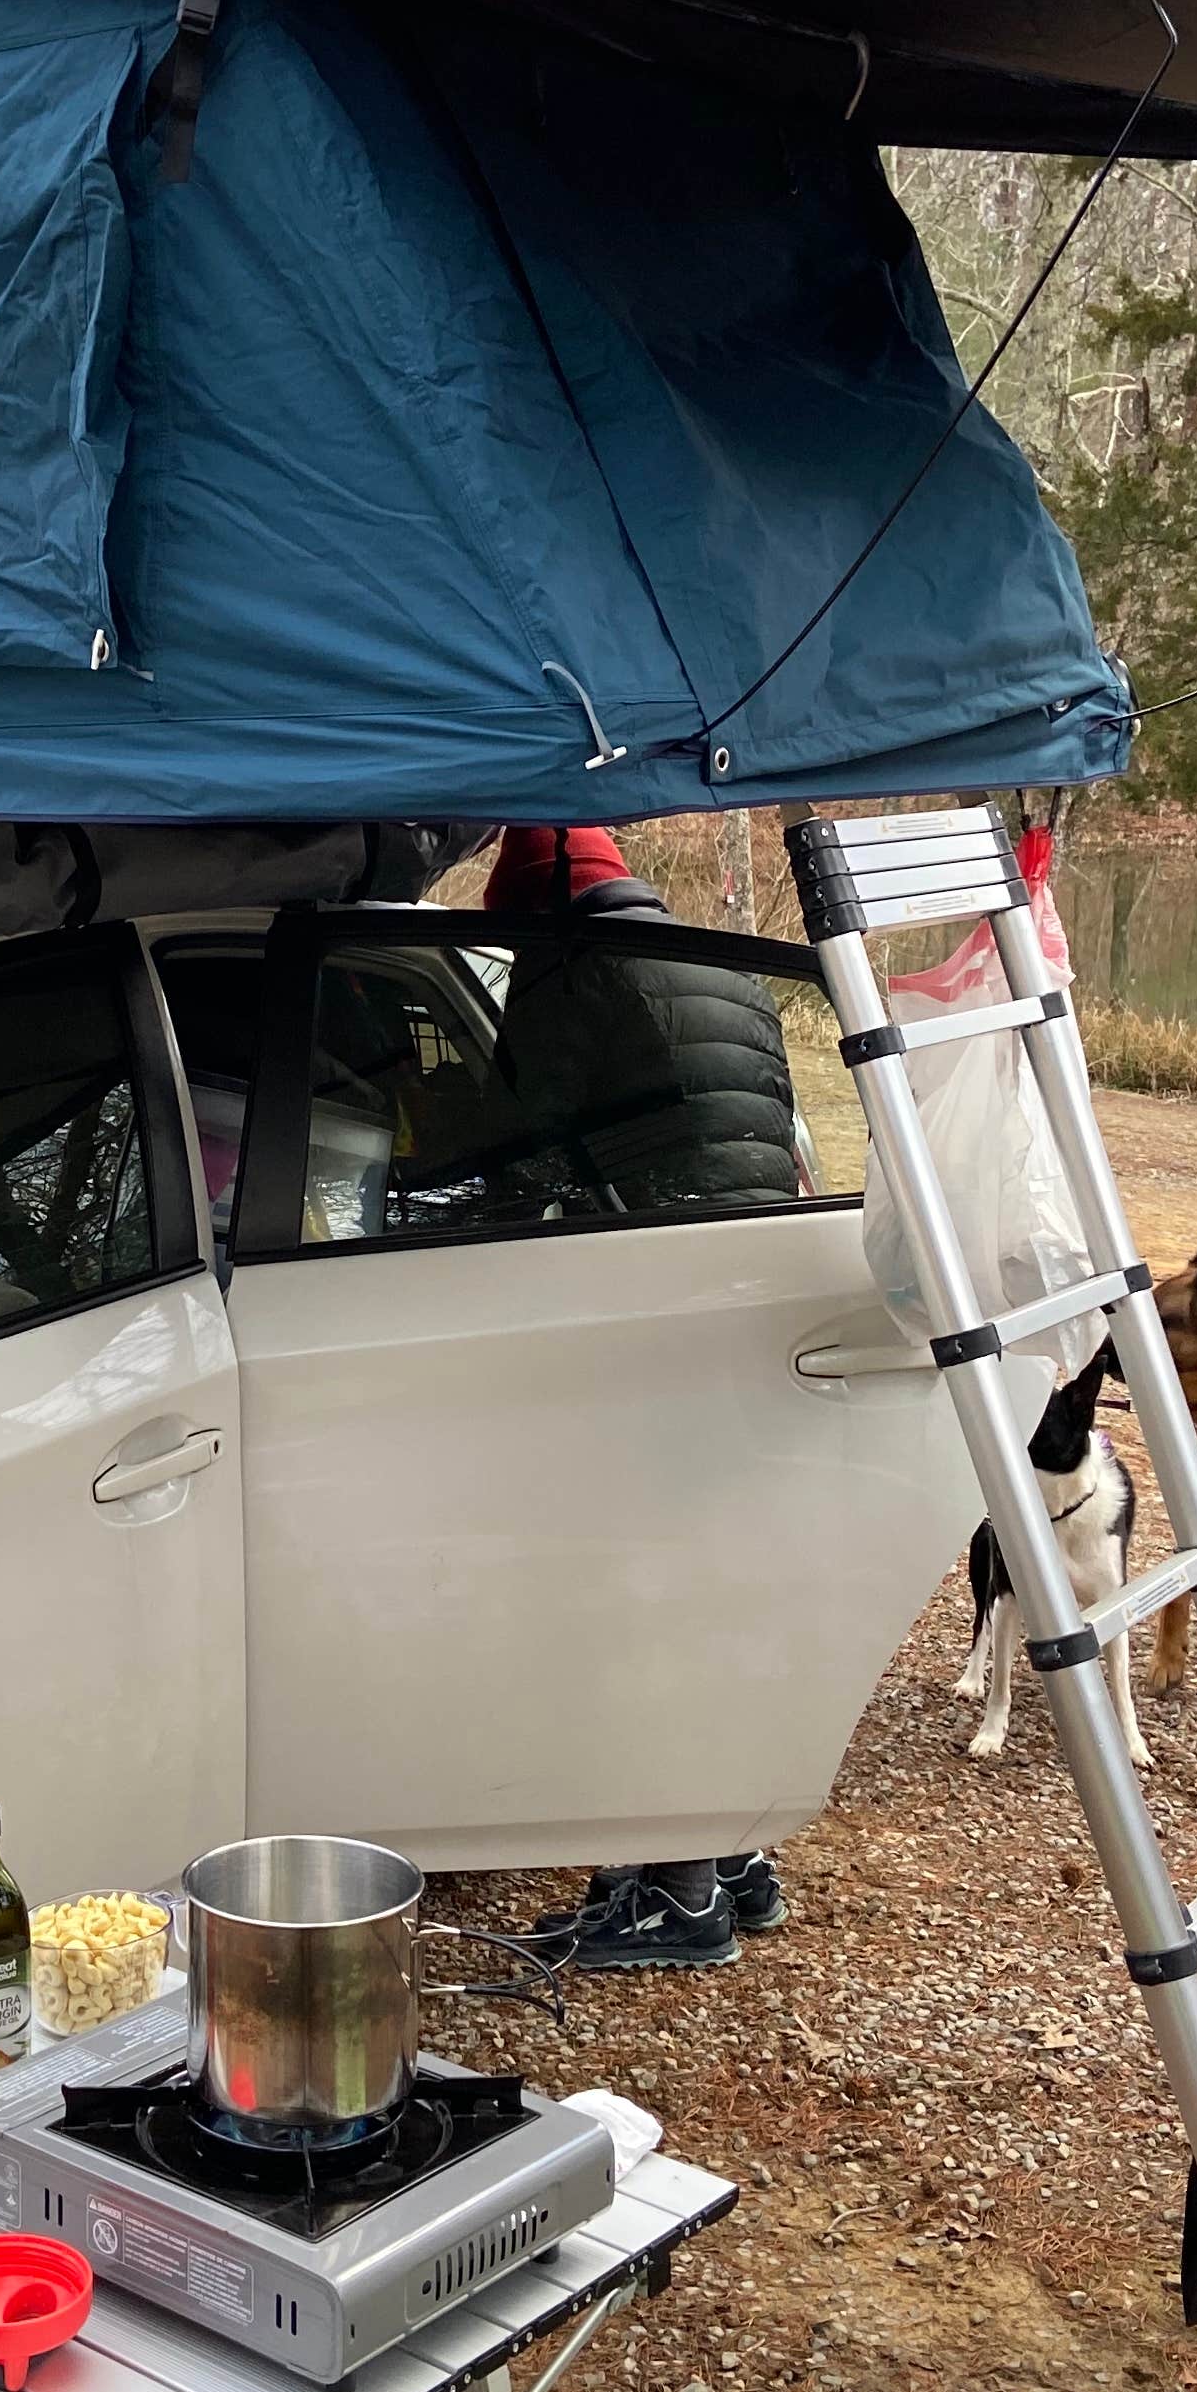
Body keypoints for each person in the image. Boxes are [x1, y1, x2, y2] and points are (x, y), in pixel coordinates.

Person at [482, 822, 797, 1970]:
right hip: (746, 1301)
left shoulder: (567, 967)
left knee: (648, 1600)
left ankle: (677, 1896)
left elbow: (521, 1154)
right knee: (715, 1588)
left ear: (533, 911)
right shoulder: (717, 955)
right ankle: (735, 1856)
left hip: (660, 1302)